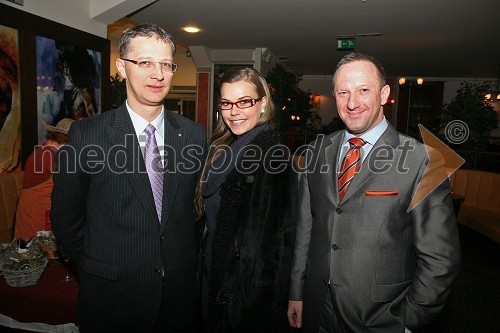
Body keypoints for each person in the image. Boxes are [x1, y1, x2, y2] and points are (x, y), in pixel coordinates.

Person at [287, 52, 461, 333]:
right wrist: (296, 291)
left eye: (363, 90)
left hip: (381, 318)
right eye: (343, 92)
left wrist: (409, 320)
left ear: (384, 94)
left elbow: (440, 259)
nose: (352, 103)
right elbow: (305, 231)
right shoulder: (317, 152)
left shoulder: (422, 160)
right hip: (316, 308)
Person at [51, 23, 206, 333]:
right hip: (111, 297)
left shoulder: (192, 134)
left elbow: (192, 211)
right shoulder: (88, 135)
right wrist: (102, 266)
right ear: (122, 67)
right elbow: (66, 220)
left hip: (177, 299)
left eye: (166, 64)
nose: (157, 74)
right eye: (145, 62)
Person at [197, 67, 297, 332]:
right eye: (227, 103)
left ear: (263, 103)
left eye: (244, 102)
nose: (234, 111)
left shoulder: (273, 156)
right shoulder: (223, 147)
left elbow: (279, 244)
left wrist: (256, 306)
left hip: (241, 293)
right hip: (212, 272)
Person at [14, 118, 73, 240]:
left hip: (45, 212)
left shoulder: (52, 151)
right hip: (34, 214)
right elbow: (72, 180)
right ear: (65, 139)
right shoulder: (47, 155)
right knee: (30, 254)